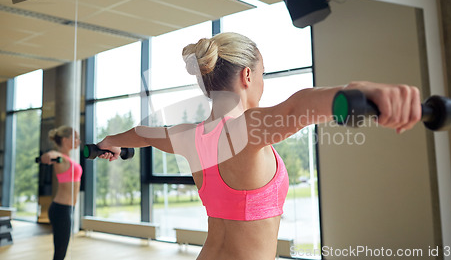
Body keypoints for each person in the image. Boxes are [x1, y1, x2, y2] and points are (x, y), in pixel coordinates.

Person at [96, 32, 421, 260]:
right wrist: (355, 90)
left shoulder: (187, 136)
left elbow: (141, 134)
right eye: (264, 74)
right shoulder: (244, 129)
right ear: (248, 75)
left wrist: (109, 142)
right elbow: (296, 108)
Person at [39, 126, 82, 260]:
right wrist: (47, 157)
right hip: (61, 210)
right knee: (60, 252)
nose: (78, 141)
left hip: (67, 209)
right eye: (75, 137)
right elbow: (50, 156)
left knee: (62, 250)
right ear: (65, 140)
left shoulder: (69, 159)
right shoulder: (60, 158)